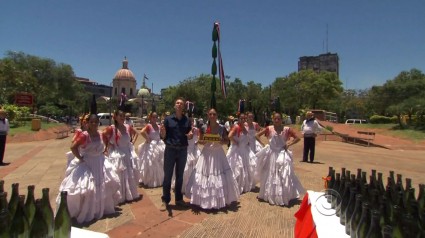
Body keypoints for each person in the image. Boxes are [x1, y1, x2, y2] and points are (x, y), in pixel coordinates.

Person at [57, 114, 120, 223]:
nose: (94, 124)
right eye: (92, 122)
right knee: (87, 187)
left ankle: (99, 208)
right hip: (88, 163)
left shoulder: (101, 134)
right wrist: (80, 158)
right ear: (88, 123)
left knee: (102, 184)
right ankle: (87, 211)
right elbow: (73, 147)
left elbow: (107, 143)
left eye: (96, 122)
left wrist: (104, 152)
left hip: (100, 163)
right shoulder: (84, 135)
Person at [185, 108, 240, 210]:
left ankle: (219, 200)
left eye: (214, 114)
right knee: (204, 176)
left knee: (219, 176)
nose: (212, 116)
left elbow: (226, 140)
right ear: (208, 115)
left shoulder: (222, 128)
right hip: (206, 154)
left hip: (218, 154)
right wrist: (204, 141)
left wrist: (221, 141)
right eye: (210, 114)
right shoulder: (203, 127)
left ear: (217, 115)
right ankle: (204, 200)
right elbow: (200, 141)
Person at [255, 112, 304, 206]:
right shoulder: (269, 128)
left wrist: (289, 144)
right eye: (275, 119)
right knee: (270, 174)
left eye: (279, 119)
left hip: (282, 153)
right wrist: (263, 145)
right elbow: (256, 136)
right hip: (271, 154)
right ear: (273, 119)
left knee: (283, 173)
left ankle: (283, 195)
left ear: (282, 120)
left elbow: (298, 138)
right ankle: (270, 194)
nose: (277, 120)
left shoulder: (287, 129)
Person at [160, 98, 193, 211]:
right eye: (177, 103)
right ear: (174, 106)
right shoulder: (168, 119)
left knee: (179, 177)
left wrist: (190, 135)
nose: (179, 105)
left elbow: (189, 133)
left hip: (182, 150)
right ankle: (165, 200)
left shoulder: (186, 120)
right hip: (170, 150)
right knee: (167, 176)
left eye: (181, 103)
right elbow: (163, 136)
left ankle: (178, 199)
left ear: (183, 107)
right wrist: (163, 133)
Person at [103, 110, 140, 204]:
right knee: (119, 174)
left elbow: (136, 133)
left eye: (123, 116)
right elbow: (103, 135)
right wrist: (108, 145)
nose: (122, 118)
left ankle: (129, 193)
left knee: (129, 173)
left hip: (127, 153)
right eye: (120, 116)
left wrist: (132, 143)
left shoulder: (127, 127)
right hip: (117, 154)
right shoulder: (111, 128)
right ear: (115, 117)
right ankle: (120, 195)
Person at [226, 113, 257, 194]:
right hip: (237, 151)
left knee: (246, 168)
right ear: (238, 119)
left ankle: (244, 185)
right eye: (241, 118)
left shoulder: (246, 127)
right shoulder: (236, 126)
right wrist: (235, 142)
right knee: (237, 168)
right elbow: (229, 136)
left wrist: (247, 143)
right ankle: (235, 185)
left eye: (244, 119)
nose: (243, 120)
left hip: (245, 150)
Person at [135, 111, 165, 187]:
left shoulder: (158, 126)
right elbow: (142, 132)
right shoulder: (149, 125)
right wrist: (148, 139)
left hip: (159, 145)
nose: (155, 118)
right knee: (151, 162)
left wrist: (163, 130)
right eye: (153, 117)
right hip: (151, 146)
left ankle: (159, 178)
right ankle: (150, 179)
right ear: (150, 118)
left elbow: (162, 136)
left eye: (156, 117)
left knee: (160, 162)